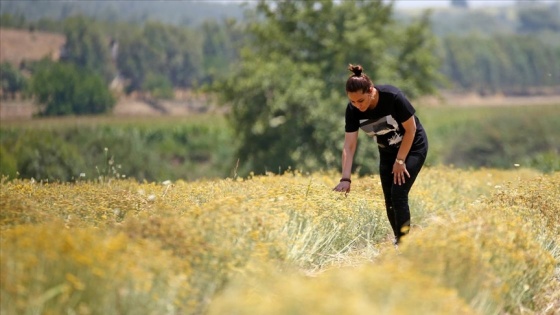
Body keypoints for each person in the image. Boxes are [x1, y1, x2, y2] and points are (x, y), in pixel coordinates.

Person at [333, 64, 429, 245]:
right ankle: (399, 239)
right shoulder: (353, 110)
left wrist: (400, 160)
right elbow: (349, 145)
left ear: (371, 90)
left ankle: (404, 244)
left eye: (360, 100)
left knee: (398, 193)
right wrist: (346, 178)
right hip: (387, 151)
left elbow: (411, 130)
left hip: (413, 146)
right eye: (352, 101)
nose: (357, 106)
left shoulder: (393, 97)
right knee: (389, 199)